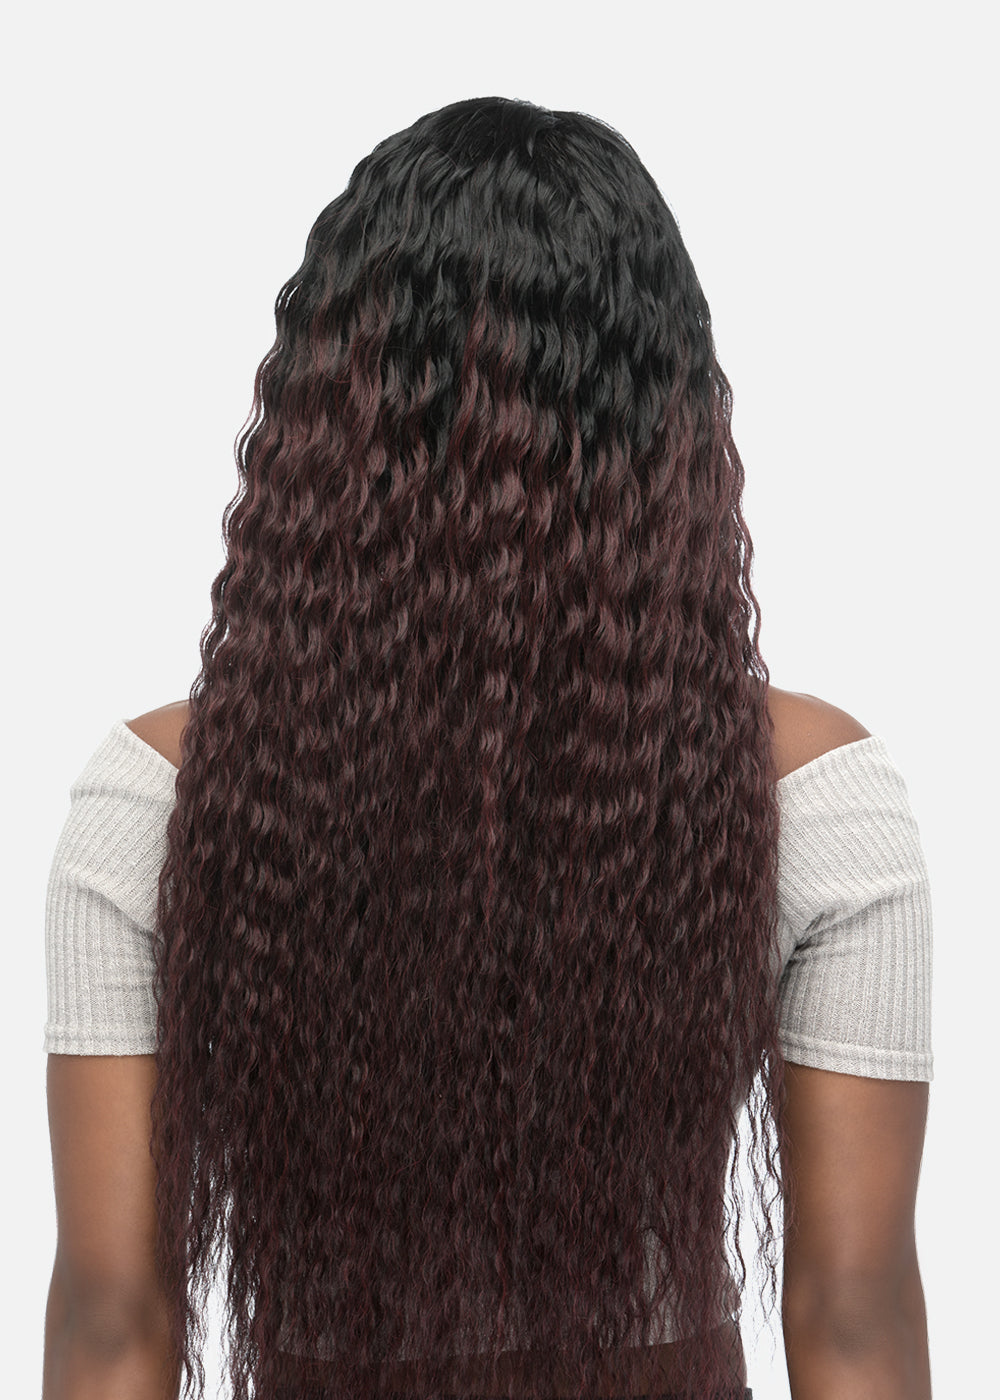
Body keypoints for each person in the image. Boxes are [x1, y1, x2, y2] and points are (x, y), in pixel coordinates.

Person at [41, 97, 933, 1400]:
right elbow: (855, 1324)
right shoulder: (822, 802)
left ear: (328, 412)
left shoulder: (152, 802)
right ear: (668, 419)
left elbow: (113, 1325)